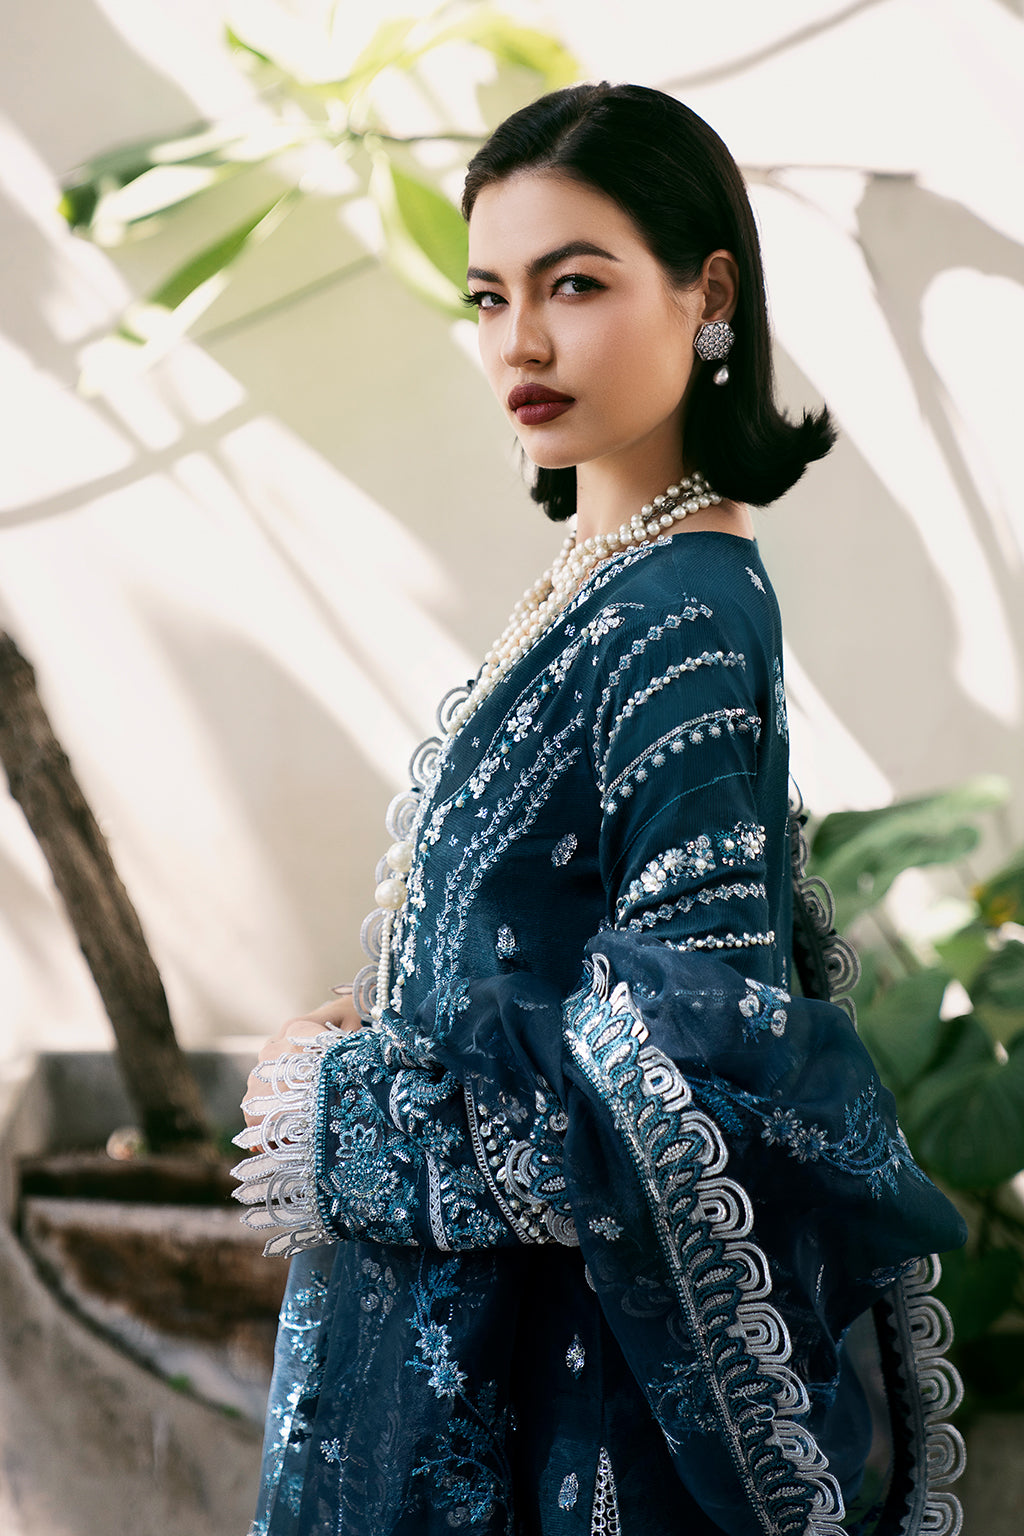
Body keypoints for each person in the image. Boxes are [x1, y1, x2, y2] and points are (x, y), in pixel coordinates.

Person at [233, 83, 967, 1536]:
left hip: (556, 1420)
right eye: (490, 294)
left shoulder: (676, 617)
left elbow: (683, 1078)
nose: (520, 340)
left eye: (574, 284)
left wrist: (344, 1113)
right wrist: (368, 1012)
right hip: (475, 1361)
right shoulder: (611, 589)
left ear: (709, 296)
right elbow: (541, 944)